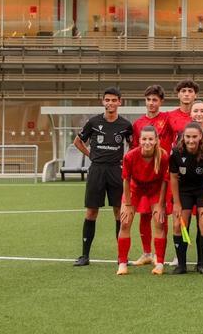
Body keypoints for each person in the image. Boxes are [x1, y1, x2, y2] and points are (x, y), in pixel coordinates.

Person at [72, 87, 133, 267]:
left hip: (116, 171)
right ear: (103, 101)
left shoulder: (125, 125)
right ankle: (85, 255)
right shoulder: (93, 122)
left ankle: (121, 256)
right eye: (107, 100)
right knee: (91, 212)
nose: (110, 103)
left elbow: (132, 144)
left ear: (120, 102)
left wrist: (126, 160)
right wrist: (91, 155)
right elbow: (77, 141)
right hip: (97, 170)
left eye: (114, 100)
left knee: (118, 212)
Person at [131, 84, 175, 265]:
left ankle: (160, 255)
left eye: (155, 100)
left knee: (161, 214)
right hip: (143, 177)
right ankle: (146, 253)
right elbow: (135, 149)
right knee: (144, 215)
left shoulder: (168, 119)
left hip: (162, 175)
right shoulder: (138, 124)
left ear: (161, 102)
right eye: (148, 100)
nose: (151, 103)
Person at [116, 126, 169, 275]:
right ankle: (122, 263)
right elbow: (126, 180)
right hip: (135, 189)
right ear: (139, 140)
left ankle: (159, 263)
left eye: (150, 139)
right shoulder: (130, 156)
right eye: (144, 139)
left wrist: (160, 205)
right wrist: (126, 204)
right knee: (125, 222)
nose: (147, 142)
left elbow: (165, 181)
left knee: (159, 222)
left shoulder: (163, 156)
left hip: (155, 190)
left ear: (156, 140)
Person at [169, 122, 203, 274]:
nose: (191, 140)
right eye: (187, 137)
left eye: (194, 137)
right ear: (183, 137)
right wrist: (176, 203)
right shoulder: (176, 153)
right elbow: (174, 178)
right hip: (183, 191)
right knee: (178, 225)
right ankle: (181, 265)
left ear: (200, 136)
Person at [166, 80, 199, 148]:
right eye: (183, 91)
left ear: (195, 95)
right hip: (177, 155)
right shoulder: (169, 116)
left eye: (190, 91)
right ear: (178, 95)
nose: (186, 94)